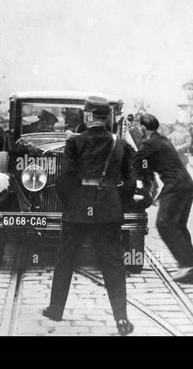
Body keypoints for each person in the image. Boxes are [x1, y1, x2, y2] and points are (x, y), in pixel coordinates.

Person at [43, 96, 136, 336]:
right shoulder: (119, 144)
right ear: (105, 118)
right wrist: (116, 203)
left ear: (88, 116)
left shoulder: (75, 143)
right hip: (108, 210)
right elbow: (130, 182)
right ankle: (122, 320)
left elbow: (63, 179)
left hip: (78, 209)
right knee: (114, 265)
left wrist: (73, 203)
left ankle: (55, 310)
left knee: (65, 260)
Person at [134, 113, 193, 284]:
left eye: (139, 128)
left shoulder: (151, 143)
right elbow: (147, 164)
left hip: (176, 186)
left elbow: (136, 161)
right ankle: (191, 266)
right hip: (185, 184)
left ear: (143, 128)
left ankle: (187, 266)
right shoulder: (162, 139)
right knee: (178, 225)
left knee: (164, 224)